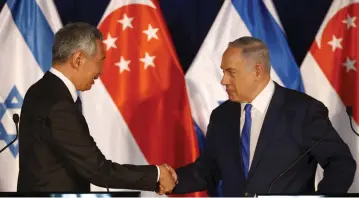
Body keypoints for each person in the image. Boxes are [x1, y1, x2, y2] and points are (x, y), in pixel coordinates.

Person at [159, 36, 356, 196]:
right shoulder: (222, 116)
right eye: (223, 72)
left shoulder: (303, 111)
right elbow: (208, 169)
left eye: (231, 72)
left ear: (258, 71)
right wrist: (175, 179)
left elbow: (340, 162)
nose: (223, 80)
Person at [17, 22, 176, 192]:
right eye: (101, 60)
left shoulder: (39, 91)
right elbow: (98, 170)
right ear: (78, 59)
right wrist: (156, 175)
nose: (101, 71)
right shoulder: (59, 105)